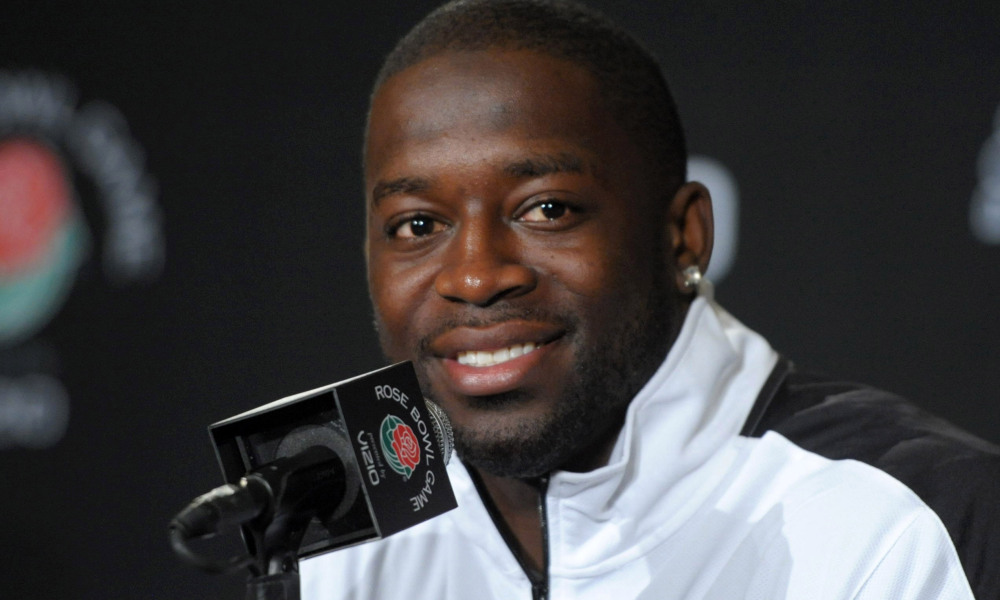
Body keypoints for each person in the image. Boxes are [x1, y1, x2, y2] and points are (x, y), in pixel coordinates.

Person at [301, 0, 1000, 597]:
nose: (476, 278)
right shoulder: (338, 538)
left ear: (683, 237)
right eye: (417, 225)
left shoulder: (909, 517)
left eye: (547, 210)